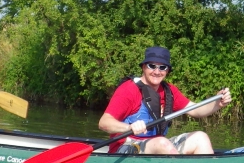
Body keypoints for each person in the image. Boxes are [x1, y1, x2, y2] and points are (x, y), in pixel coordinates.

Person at [98, 46, 232, 155]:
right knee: (162, 143)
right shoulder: (128, 90)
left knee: (201, 137)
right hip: (126, 147)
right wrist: (129, 127)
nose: (157, 71)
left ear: (167, 70)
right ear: (144, 67)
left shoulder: (169, 91)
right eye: (152, 66)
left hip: (158, 145)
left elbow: (196, 110)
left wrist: (217, 104)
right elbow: (104, 123)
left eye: (162, 67)